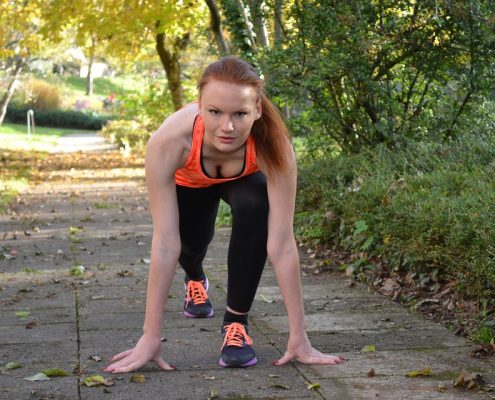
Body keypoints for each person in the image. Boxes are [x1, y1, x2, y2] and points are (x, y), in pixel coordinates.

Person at [104, 56, 345, 372]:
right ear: (199, 103)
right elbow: (164, 243)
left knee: (257, 204)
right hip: (189, 181)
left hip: (242, 181)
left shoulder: (274, 144)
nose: (227, 127)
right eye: (215, 112)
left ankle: (236, 324)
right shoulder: (169, 142)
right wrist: (150, 336)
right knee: (189, 247)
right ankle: (195, 277)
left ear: (257, 110)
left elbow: (282, 245)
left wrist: (299, 336)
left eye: (240, 114)